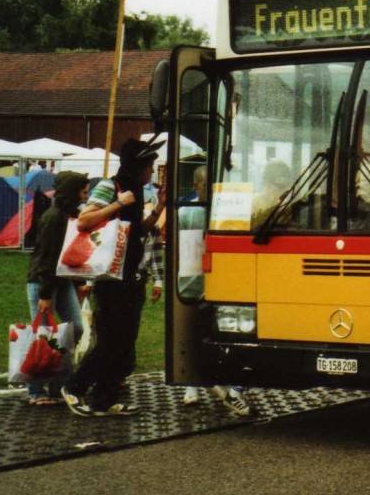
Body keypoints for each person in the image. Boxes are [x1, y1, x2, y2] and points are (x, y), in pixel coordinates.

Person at [61, 137, 166, 417]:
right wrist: (118, 204)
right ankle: (74, 387)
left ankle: (105, 399)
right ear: (136, 166)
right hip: (111, 279)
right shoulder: (112, 186)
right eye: (149, 166)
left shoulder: (138, 191)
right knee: (110, 341)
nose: (153, 171)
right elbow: (84, 220)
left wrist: (158, 209)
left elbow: (137, 231)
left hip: (132, 276)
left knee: (124, 342)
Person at [179, 165, 250, 416]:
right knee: (193, 332)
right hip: (194, 279)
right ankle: (192, 385)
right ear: (196, 186)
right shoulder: (186, 212)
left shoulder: (229, 210)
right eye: (205, 184)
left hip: (225, 278)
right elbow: (183, 248)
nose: (210, 189)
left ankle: (230, 383)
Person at [24, 170, 91, 406]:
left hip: (61, 281)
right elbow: (46, 257)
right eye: (83, 191)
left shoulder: (71, 217)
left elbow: (71, 254)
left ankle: (56, 382)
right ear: (72, 192)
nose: (86, 195)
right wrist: (44, 293)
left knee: (76, 328)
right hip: (45, 282)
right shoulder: (54, 218)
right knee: (42, 336)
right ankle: (35, 390)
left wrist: (79, 282)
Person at [250, 159, 293, 228]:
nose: (283, 193)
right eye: (279, 188)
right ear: (267, 184)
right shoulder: (252, 205)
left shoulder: (285, 207)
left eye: (285, 189)